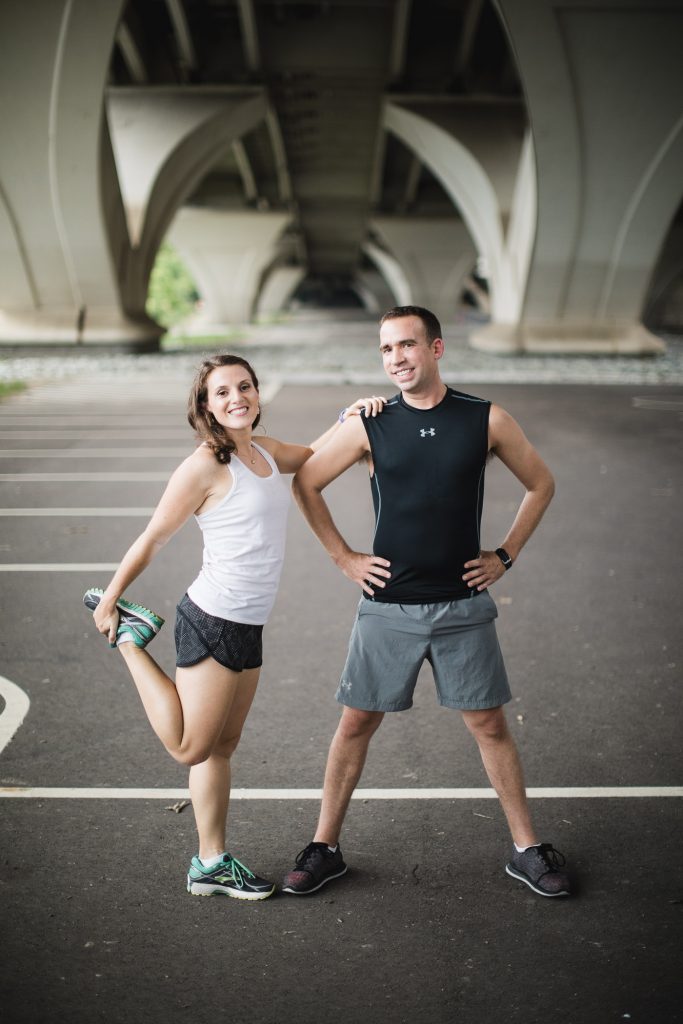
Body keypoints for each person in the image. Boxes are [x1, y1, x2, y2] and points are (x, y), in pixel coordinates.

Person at [281, 306, 572, 899]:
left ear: (436, 349)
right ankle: (325, 847)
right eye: (387, 350)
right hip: (388, 605)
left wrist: (505, 555)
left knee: (489, 724)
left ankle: (526, 848)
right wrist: (344, 557)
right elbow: (305, 480)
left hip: (462, 603)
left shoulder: (485, 418)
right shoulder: (369, 423)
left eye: (408, 346)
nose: (397, 359)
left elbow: (541, 483)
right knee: (356, 722)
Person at [83, 353, 385, 901]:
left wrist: (352, 414)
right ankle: (131, 641)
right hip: (213, 618)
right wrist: (111, 598)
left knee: (223, 747)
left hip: (249, 625)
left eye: (244, 387)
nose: (236, 398)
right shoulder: (203, 465)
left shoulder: (265, 451)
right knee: (189, 748)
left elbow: (316, 453)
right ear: (205, 405)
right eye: (222, 392)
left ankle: (211, 861)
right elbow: (153, 536)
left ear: (256, 394)